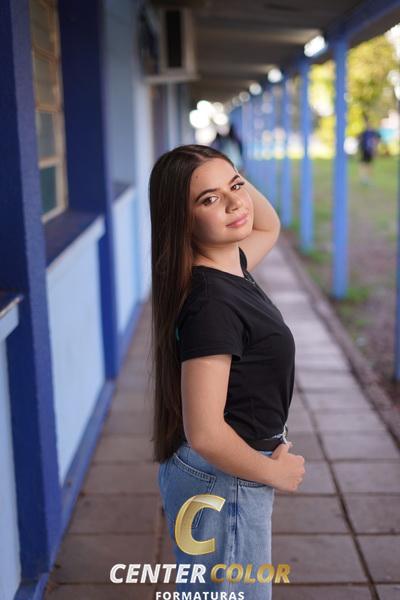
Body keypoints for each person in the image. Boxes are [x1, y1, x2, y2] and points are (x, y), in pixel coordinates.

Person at [149, 144, 305, 598]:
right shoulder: (212, 303)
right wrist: (274, 474)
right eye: (209, 199)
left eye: (237, 186)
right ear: (183, 220)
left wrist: (219, 169)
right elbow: (205, 433)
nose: (237, 203)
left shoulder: (229, 265)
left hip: (221, 475)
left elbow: (268, 224)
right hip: (226, 477)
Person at [358, 118, 381, 184]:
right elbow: (359, 139)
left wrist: (375, 148)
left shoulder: (373, 132)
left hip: (370, 151)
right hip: (364, 150)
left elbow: (378, 139)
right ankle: (363, 177)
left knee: (369, 164)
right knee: (363, 164)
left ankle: (368, 178)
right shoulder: (364, 132)